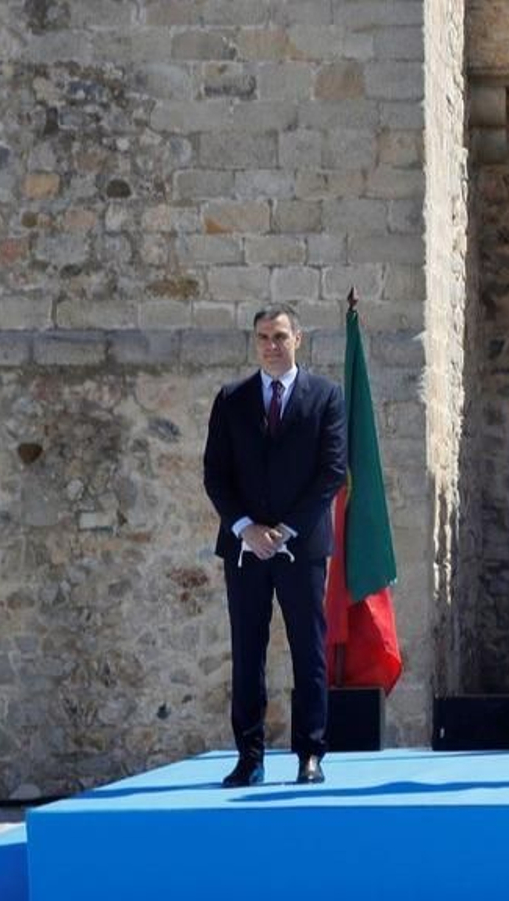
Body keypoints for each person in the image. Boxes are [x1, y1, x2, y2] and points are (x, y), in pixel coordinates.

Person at [202, 306, 346, 787]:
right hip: (244, 548)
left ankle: (310, 753)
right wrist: (246, 527)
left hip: (300, 547)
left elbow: (331, 472)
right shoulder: (232, 398)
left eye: (280, 336)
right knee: (247, 651)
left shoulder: (325, 396)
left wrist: (284, 530)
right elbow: (215, 473)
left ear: (298, 339)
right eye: (263, 337)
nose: (271, 345)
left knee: (309, 651)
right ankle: (250, 756)